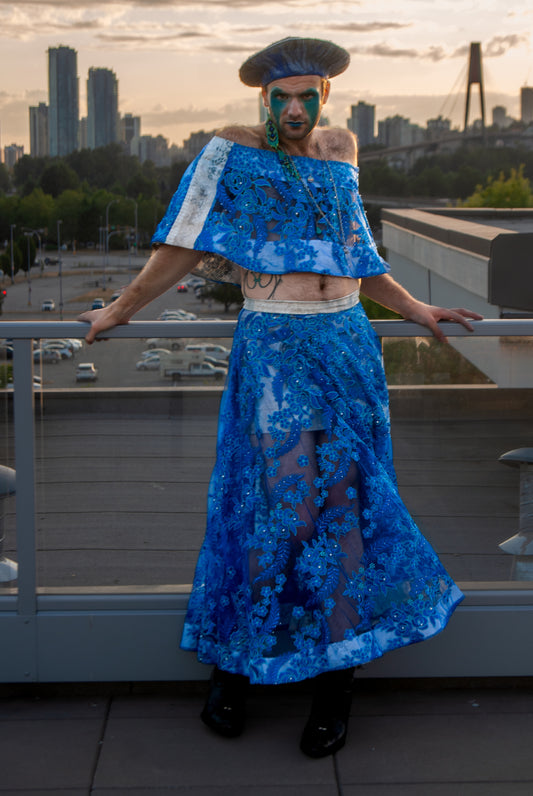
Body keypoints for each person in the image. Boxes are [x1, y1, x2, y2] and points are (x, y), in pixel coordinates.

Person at [79, 37, 483, 758]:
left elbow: (357, 252)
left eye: (306, 95)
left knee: (349, 508)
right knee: (280, 507)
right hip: (274, 346)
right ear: (259, 98)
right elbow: (181, 241)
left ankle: (336, 684)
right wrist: (120, 309)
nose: (293, 110)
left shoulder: (342, 147)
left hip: (348, 343)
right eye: (280, 97)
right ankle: (234, 670)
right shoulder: (229, 150)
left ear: (324, 95)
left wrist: (417, 310)